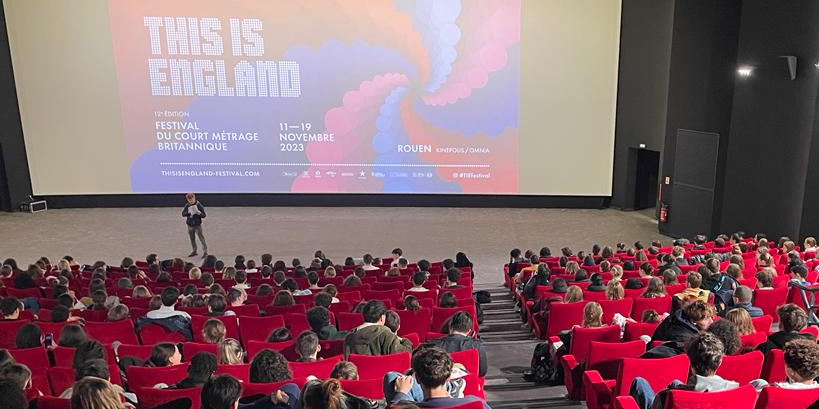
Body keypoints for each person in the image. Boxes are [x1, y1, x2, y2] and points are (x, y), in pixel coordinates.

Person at [629, 333, 766, 409]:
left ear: (691, 363)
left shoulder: (668, 396)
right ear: (720, 362)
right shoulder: (738, 391)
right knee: (676, 383)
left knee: (639, 382)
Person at [388, 347, 491, 408]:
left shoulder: (404, 406)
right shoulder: (475, 403)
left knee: (391, 376)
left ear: (418, 379)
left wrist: (400, 394)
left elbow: (394, 406)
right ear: (449, 377)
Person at [343, 300, 412, 357]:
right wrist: (404, 341)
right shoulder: (386, 334)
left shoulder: (348, 338)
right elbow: (405, 354)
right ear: (382, 318)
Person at [427, 312, 487, 377]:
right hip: (468, 384)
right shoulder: (477, 346)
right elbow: (482, 372)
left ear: (450, 327)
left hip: (439, 384)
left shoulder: (432, 345)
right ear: (469, 331)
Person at [183, 192, 208, 258]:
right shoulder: (187, 205)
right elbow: (183, 214)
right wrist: (188, 212)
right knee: (192, 238)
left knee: (201, 238)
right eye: (189, 200)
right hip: (190, 225)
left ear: (194, 198)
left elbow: (204, 215)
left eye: (192, 200)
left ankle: (205, 252)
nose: (191, 201)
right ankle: (194, 250)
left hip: (197, 225)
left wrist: (199, 213)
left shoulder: (199, 205)